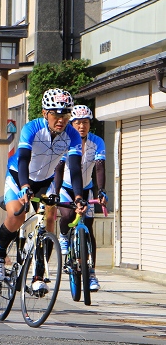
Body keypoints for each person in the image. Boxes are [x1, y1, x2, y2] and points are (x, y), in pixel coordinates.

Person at [0, 88, 85, 294]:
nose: (61, 120)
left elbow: (75, 169)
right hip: (19, 177)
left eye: (66, 115)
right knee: (17, 214)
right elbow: (23, 159)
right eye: (56, 114)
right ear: (45, 113)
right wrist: (24, 186)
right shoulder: (31, 128)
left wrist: (78, 197)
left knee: (49, 222)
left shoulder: (72, 135)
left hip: (45, 182)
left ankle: (39, 275)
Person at [53, 104, 108, 292]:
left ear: (89, 124)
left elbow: (100, 167)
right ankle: (63, 236)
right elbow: (59, 168)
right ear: (72, 124)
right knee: (68, 217)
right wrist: (55, 191)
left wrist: (102, 191)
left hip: (87, 189)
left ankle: (91, 273)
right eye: (77, 123)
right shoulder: (65, 140)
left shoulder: (97, 142)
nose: (81, 126)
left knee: (89, 229)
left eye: (85, 122)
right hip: (66, 188)